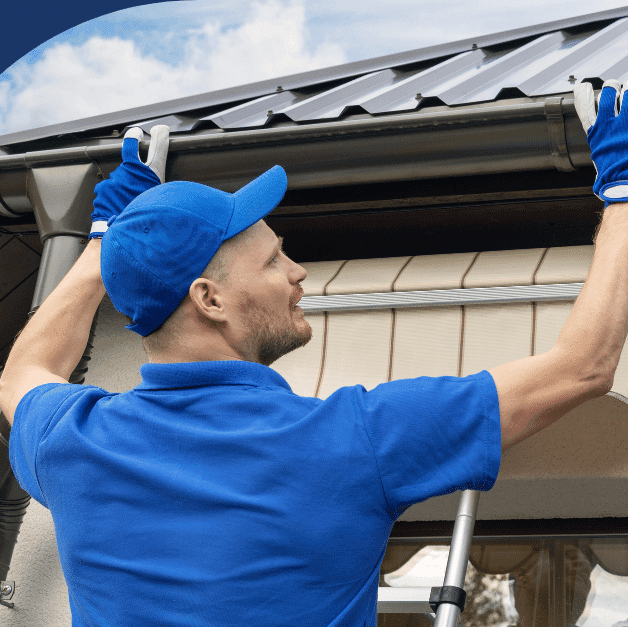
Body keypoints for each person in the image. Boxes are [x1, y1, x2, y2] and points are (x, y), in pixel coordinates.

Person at [1, 80, 628, 626]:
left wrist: (103, 245)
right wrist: (623, 189)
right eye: (273, 260)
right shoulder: (351, 440)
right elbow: (583, 366)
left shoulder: (73, 442)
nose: (299, 272)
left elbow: (22, 373)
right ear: (209, 299)